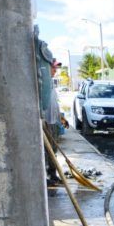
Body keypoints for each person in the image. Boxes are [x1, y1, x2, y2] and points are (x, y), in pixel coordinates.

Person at [44, 58, 67, 186]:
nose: (55, 71)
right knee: (46, 152)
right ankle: (46, 176)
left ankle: (53, 174)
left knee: (53, 150)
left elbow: (55, 104)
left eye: (56, 69)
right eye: (53, 68)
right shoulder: (43, 84)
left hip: (53, 122)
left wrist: (61, 119)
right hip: (45, 122)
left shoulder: (52, 83)